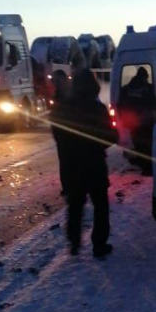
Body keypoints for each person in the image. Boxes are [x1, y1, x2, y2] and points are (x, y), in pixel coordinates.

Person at [51, 68, 117, 257]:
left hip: (72, 166)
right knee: (100, 206)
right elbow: (110, 136)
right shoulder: (98, 109)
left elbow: (57, 134)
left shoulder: (62, 108)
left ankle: (74, 242)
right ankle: (99, 244)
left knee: (75, 205)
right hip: (94, 164)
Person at [118, 67, 154, 174]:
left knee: (138, 145)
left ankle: (143, 165)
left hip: (132, 124)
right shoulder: (147, 89)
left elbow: (119, 105)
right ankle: (148, 169)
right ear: (145, 77)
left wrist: (123, 119)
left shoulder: (126, 89)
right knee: (148, 146)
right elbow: (154, 104)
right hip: (145, 123)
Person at [49, 69, 72, 195]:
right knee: (65, 163)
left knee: (68, 163)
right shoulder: (60, 94)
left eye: (57, 80)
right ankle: (68, 187)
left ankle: (71, 187)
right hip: (63, 136)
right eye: (54, 81)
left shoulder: (69, 94)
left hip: (69, 136)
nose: (55, 83)